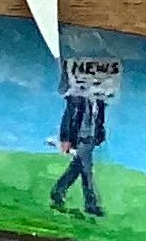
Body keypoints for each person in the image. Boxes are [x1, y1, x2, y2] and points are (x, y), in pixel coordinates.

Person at [50, 73, 111, 215]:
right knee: (86, 170)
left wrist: (99, 136)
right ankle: (91, 204)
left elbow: (99, 121)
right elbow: (68, 118)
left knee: (77, 167)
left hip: (90, 139)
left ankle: (58, 191)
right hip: (80, 138)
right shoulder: (77, 98)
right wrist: (66, 139)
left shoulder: (100, 102)